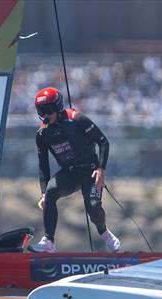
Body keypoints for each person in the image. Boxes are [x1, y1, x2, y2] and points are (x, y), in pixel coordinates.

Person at [31, 87, 120, 253]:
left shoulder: (77, 119)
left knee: (93, 207)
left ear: (57, 107)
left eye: (48, 110)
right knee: (50, 192)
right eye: (41, 111)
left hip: (91, 171)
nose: (46, 115)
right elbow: (43, 165)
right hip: (70, 174)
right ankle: (48, 241)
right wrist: (43, 193)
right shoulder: (42, 134)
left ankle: (104, 232)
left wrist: (101, 169)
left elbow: (103, 142)